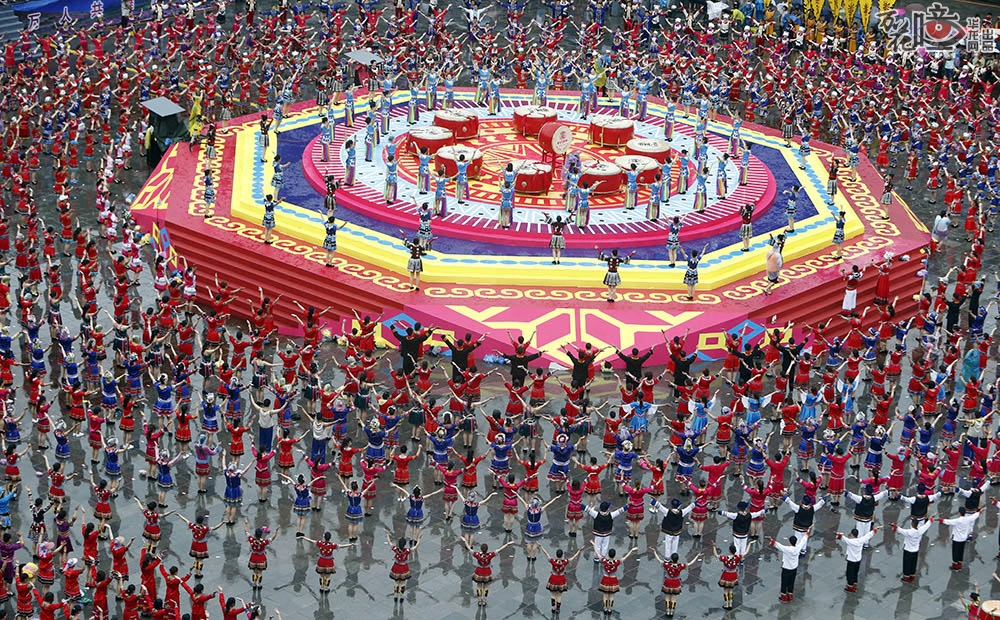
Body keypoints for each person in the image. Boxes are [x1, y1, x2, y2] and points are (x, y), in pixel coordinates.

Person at [835, 526, 878, 592]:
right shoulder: (861, 540)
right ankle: (855, 584)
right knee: (855, 572)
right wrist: (874, 530)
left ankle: (850, 587)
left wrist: (838, 534)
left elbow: (843, 538)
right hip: (858, 560)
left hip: (851, 560)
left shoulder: (850, 541)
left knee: (850, 573)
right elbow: (868, 535)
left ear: (852, 534)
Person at [893, 517, 934, 582]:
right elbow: (926, 525)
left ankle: (906, 577)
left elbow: (900, 530)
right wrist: (931, 519)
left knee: (907, 564)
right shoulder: (920, 531)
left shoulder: (909, 532)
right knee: (913, 563)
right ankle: (912, 576)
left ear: (912, 524)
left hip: (908, 550)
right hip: (915, 550)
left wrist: (894, 526)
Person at [769, 534, 807, 602]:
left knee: (784, 582)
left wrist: (771, 540)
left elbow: (779, 546)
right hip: (794, 568)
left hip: (786, 568)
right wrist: (807, 533)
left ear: (790, 542)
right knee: (791, 582)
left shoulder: (787, 549)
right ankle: (790, 595)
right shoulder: (798, 547)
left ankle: (783, 596)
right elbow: (803, 541)